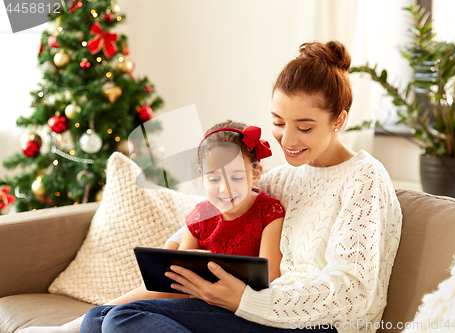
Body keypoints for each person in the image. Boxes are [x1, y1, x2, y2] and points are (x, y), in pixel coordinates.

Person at [79, 40, 402, 333]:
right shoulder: (285, 179)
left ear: (339, 121)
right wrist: (177, 246)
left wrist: (245, 301)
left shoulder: (364, 178)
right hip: (257, 311)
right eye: (278, 122)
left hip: (314, 326)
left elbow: (352, 292)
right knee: (97, 319)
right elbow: (226, 209)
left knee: (121, 320)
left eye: (304, 127)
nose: (287, 140)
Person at [20, 121, 285, 333]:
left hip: (233, 308)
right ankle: (70, 328)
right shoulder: (201, 215)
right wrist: (190, 262)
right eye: (213, 178)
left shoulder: (268, 211)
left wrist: (219, 269)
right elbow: (177, 274)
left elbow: (269, 277)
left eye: (237, 177)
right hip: (191, 299)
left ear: (256, 173)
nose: (225, 188)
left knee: (118, 321)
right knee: (94, 320)